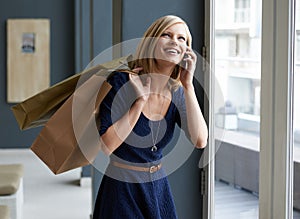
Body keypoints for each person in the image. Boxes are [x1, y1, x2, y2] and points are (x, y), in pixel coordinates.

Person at [92, 15, 208, 219]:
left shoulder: (178, 91)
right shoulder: (122, 81)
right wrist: (140, 103)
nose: (175, 41)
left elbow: (200, 140)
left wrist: (188, 85)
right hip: (122, 187)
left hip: (157, 187)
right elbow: (106, 146)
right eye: (167, 35)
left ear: (186, 51)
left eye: (182, 39)